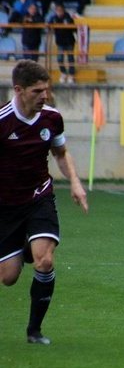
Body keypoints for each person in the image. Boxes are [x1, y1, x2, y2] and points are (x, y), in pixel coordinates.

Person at [0, 60, 88, 345]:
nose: (45, 96)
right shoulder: (2, 121)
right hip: (6, 206)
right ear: (18, 90)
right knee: (9, 277)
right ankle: (25, 246)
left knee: (45, 260)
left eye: (47, 90)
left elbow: (61, 153)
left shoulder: (52, 118)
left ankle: (34, 331)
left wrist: (75, 182)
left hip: (39, 197)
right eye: (37, 91)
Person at [47, 3, 76, 84]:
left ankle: (71, 74)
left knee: (70, 58)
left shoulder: (68, 18)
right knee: (60, 58)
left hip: (69, 41)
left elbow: (74, 28)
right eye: (57, 10)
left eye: (60, 10)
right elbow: (48, 25)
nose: (59, 12)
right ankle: (63, 72)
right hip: (60, 41)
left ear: (63, 10)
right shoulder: (54, 18)